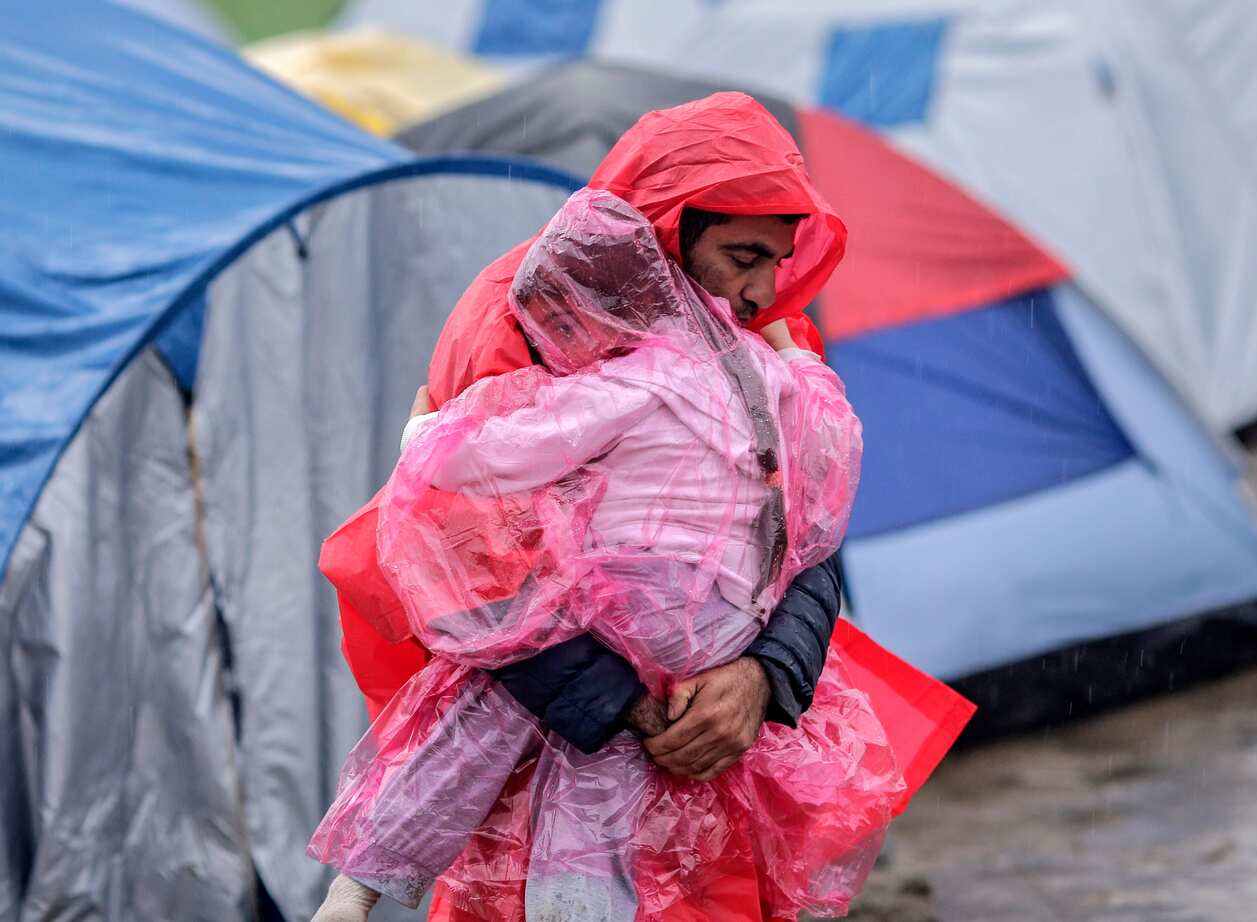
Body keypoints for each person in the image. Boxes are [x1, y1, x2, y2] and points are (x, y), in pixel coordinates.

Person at [314, 92, 975, 922]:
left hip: (717, 787)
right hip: (554, 762)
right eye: (739, 257)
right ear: (671, 227)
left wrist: (765, 676)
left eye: (772, 262)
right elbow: (467, 558)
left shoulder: (764, 340)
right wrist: (628, 703)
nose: (756, 290)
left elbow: (805, 538)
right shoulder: (527, 320)